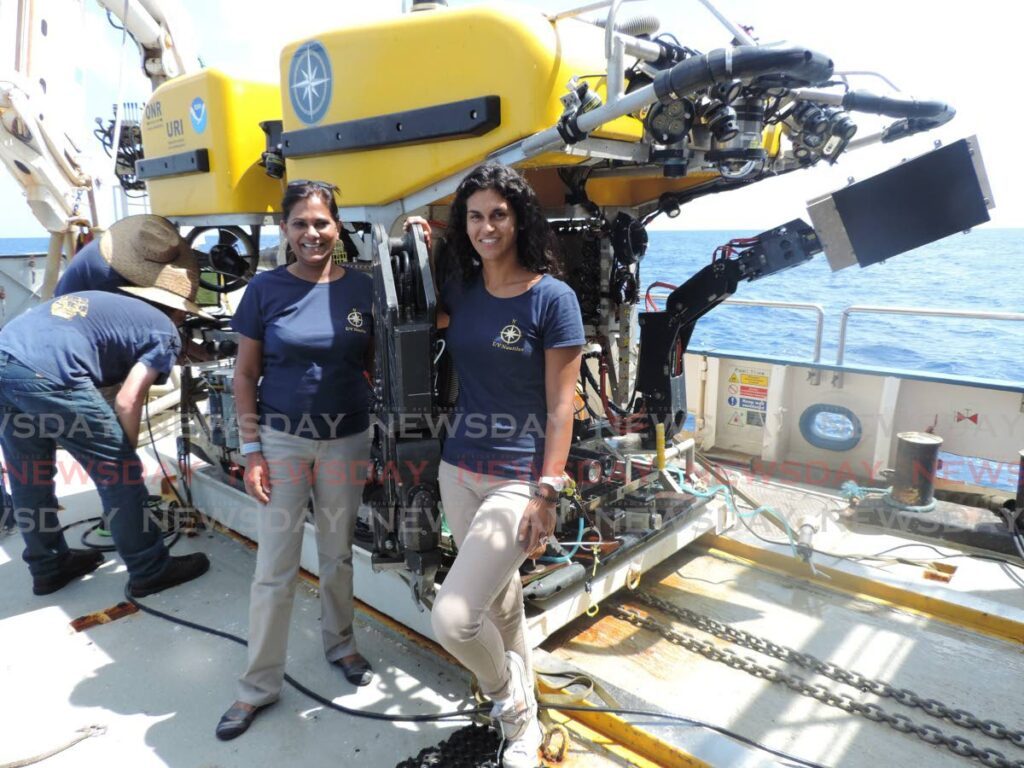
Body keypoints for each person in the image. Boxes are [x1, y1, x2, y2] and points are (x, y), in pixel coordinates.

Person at [427, 163, 584, 768]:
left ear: (519, 219)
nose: (486, 226)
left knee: (454, 617)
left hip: (518, 479)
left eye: (498, 214)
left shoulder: (552, 298)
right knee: (500, 603)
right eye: (474, 215)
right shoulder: (463, 292)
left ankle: (511, 702)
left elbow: (561, 405)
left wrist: (547, 494)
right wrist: (417, 238)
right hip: (457, 468)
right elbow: (419, 310)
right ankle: (527, 729)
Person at [216, 180, 375, 741]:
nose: (312, 233)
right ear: (285, 230)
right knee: (275, 568)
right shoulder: (265, 290)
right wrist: (252, 449)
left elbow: (378, 365)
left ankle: (342, 646)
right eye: (301, 224)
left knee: (337, 556)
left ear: (339, 227)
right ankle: (257, 686)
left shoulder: (364, 290)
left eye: (322, 223)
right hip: (281, 442)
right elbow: (244, 375)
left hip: (347, 440)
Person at [0, 215, 211, 597]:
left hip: (7, 356)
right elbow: (129, 401)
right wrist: (122, 458)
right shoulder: (164, 331)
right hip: (49, 371)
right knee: (120, 472)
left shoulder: (116, 307)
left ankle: (49, 566)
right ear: (178, 312)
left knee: (29, 475)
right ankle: (150, 568)